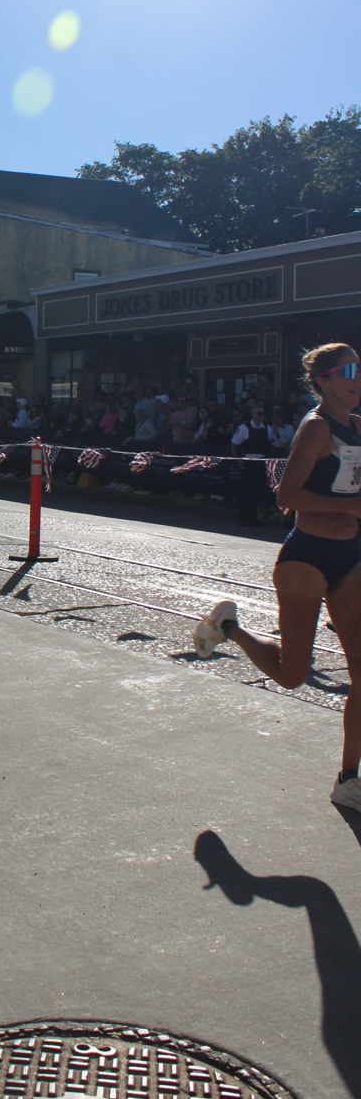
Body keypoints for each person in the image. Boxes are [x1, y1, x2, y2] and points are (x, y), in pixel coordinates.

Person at [193, 343, 361, 811]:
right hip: (307, 556)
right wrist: (350, 506)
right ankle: (228, 626)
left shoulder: (358, 427)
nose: (358, 378)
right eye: (349, 370)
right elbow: (287, 495)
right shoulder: (316, 428)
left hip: (352, 555)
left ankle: (349, 778)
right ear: (324, 380)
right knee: (292, 674)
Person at [231, 403, 270, 526]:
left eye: (263, 413)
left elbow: (272, 445)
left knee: (257, 492)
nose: (261, 416)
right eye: (259, 413)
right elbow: (234, 443)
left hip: (261, 463)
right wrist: (238, 460)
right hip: (248, 463)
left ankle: (253, 518)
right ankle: (243, 518)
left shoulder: (268, 429)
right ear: (252, 414)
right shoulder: (244, 428)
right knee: (246, 492)